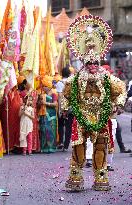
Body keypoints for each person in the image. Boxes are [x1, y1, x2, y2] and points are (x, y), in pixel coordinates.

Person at [62, 15, 126, 192]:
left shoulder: (106, 77)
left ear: (99, 61)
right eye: (88, 62)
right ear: (83, 62)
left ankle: (101, 178)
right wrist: (64, 108)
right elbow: (65, 95)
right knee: (78, 147)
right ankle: (76, 176)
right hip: (81, 116)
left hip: (101, 115)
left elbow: (121, 89)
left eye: (94, 62)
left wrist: (117, 104)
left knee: (100, 147)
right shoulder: (75, 79)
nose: (92, 65)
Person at [37, 75, 58, 153]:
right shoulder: (42, 95)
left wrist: (46, 103)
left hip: (51, 116)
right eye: (43, 86)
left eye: (45, 86)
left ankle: (51, 147)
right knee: (43, 131)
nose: (44, 87)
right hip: (43, 115)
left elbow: (55, 104)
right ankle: (44, 148)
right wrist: (40, 102)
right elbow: (38, 105)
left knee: (50, 131)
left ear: (49, 86)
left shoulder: (53, 94)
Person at [56, 66, 74, 151]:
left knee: (60, 125)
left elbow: (59, 97)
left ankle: (61, 142)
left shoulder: (59, 83)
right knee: (68, 126)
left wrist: (60, 109)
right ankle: (66, 145)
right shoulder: (72, 82)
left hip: (62, 107)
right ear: (69, 74)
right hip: (70, 107)